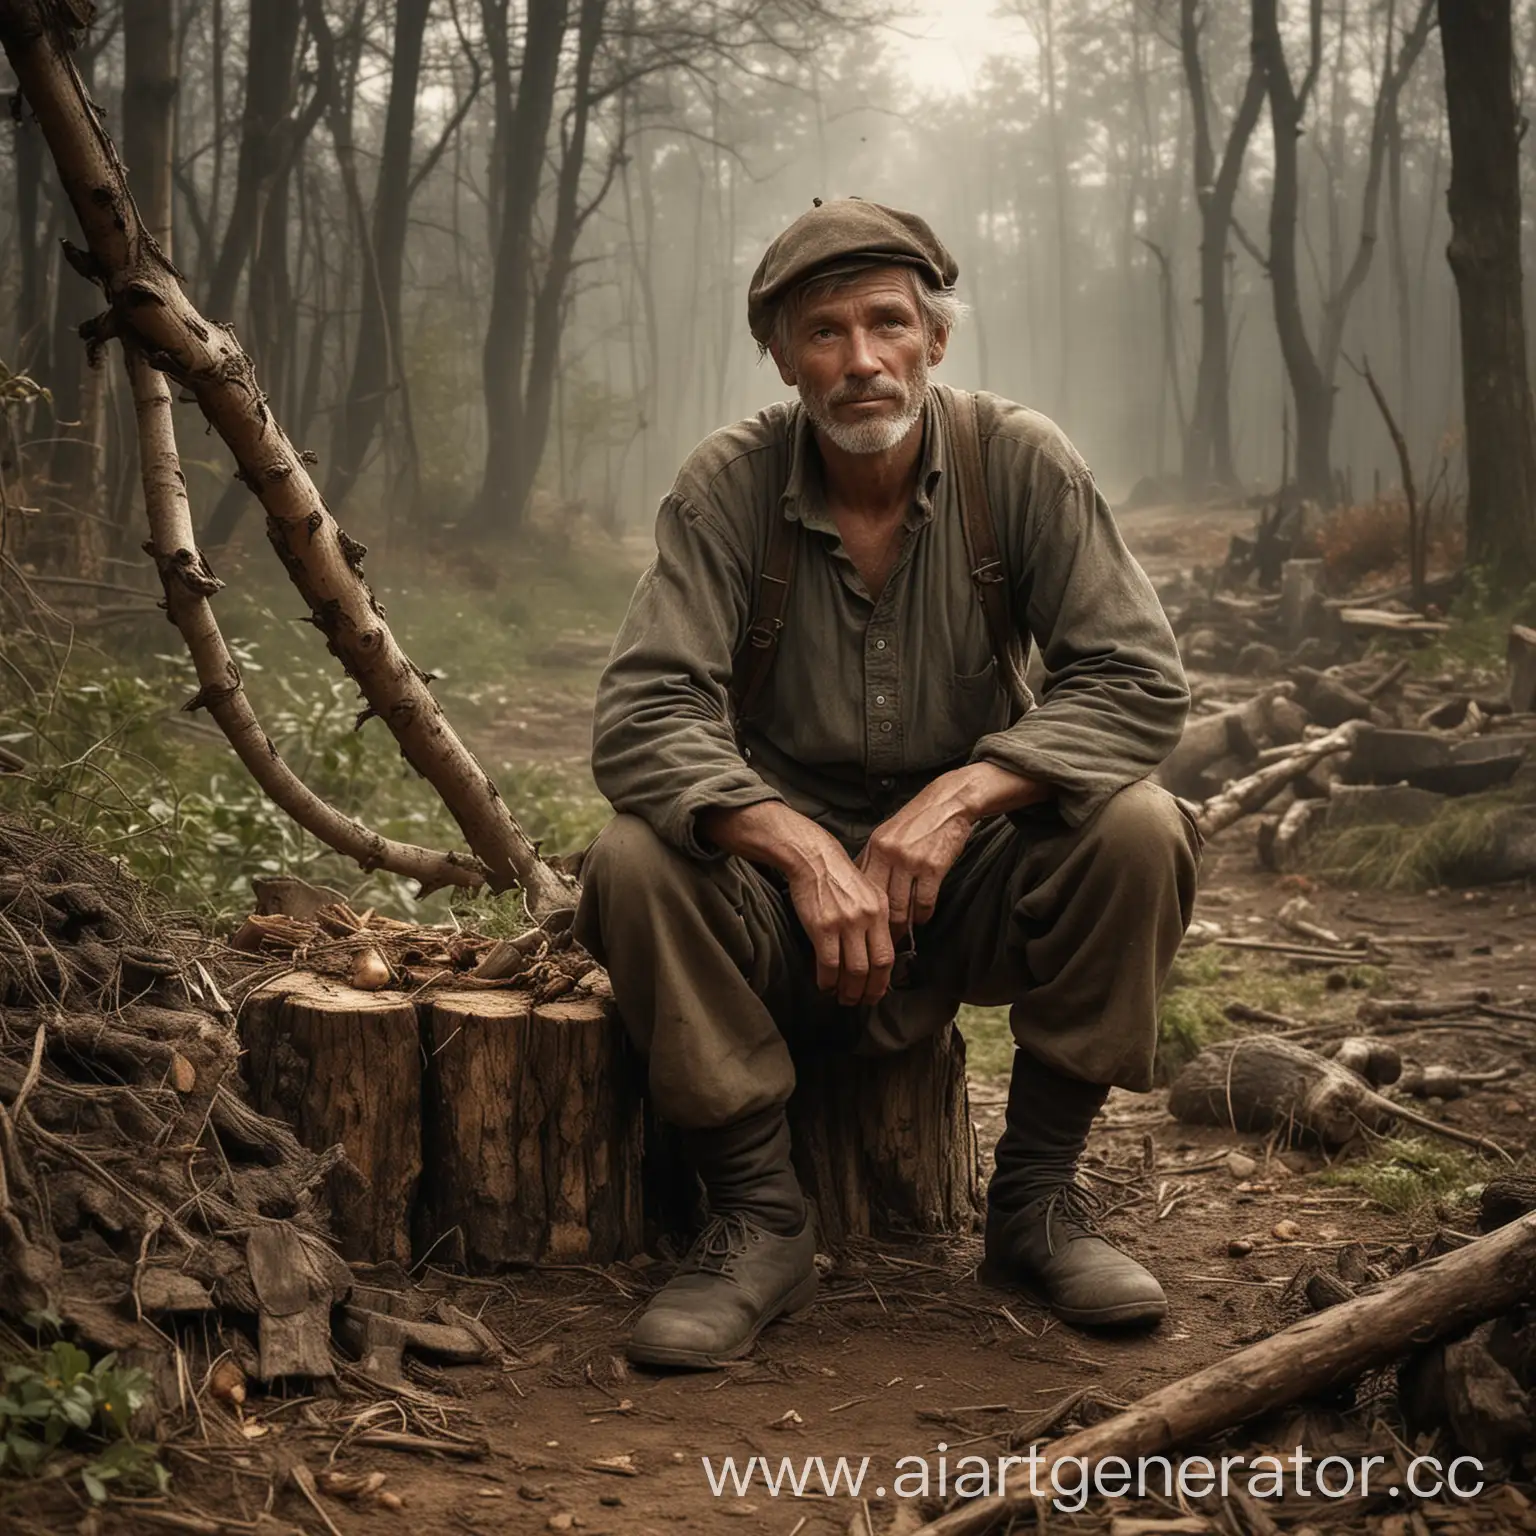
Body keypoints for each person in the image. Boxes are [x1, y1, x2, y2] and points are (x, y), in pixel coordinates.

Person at [575, 198, 1201, 1370]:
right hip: (783, 910)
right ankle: (759, 1220)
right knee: (633, 857)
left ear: (935, 340)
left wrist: (962, 798)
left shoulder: (1015, 459)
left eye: (887, 325)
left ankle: (1035, 1207)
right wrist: (803, 850)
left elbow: (1136, 680)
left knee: (1139, 827)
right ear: (781, 357)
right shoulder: (729, 486)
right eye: (824, 333)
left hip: (971, 886)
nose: (861, 362)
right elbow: (642, 712)